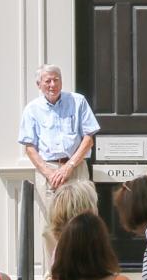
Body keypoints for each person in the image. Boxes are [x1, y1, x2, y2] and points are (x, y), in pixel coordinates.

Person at [19, 64, 100, 195]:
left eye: (56, 80)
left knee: (81, 208)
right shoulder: (31, 109)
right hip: (48, 171)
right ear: (39, 85)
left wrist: (69, 166)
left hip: (76, 167)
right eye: (48, 81)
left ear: (61, 82)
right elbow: (29, 148)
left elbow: (89, 139)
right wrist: (49, 174)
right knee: (51, 209)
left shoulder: (78, 101)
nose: (53, 84)